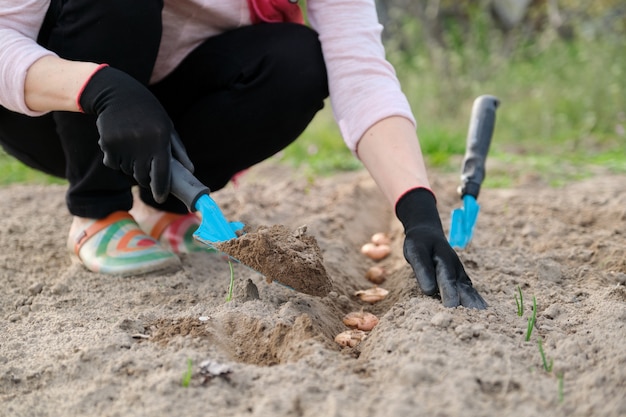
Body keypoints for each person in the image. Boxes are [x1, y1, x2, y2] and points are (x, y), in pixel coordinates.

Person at [0, 0, 487, 309]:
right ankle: (97, 213)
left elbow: (361, 75)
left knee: (297, 61)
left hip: (173, 114)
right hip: (59, 112)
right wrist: (97, 88)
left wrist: (417, 210)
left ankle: (164, 207)